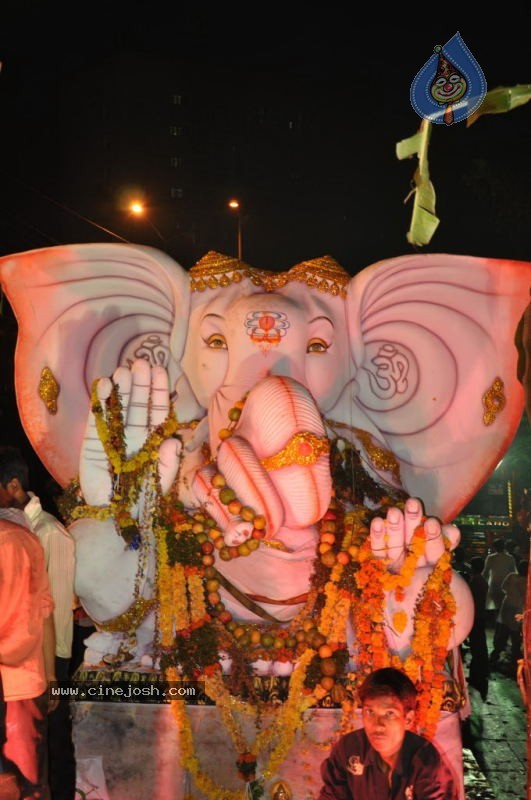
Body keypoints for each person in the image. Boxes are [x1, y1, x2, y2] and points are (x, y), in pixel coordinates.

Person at [0, 448, 76, 800]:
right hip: (33, 670)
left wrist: (53, 676)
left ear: (12, 485)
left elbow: (55, 613)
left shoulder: (48, 533)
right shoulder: (25, 534)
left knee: (52, 752)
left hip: (46, 661)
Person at [318, 667, 458, 799]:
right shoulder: (348, 749)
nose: (378, 725)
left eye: (389, 714)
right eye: (370, 712)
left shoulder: (425, 762)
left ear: (408, 719)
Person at [0, 510, 56, 800]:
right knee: (32, 785)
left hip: (10, 685)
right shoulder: (27, 539)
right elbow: (46, 612)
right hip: (29, 680)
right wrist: (50, 675)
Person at [490, 558, 528, 672]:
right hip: (517, 610)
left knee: (502, 634)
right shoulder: (527, 581)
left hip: (507, 608)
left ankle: (494, 658)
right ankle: (514, 663)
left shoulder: (512, 576)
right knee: (516, 637)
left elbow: (503, 588)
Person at [466, 556, 489, 700]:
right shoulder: (481, 580)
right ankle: (478, 673)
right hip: (480, 614)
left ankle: (476, 675)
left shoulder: (475, 581)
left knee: (477, 645)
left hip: (475, 615)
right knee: (479, 643)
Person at [482, 538, 517, 627]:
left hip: (493, 586)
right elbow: (513, 573)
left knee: (497, 610)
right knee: (504, 609)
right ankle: (502, 628)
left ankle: (498, 628)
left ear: (494, 547)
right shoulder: (510, 558)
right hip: (506, 587)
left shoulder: (491, 558)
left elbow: (485, 573)